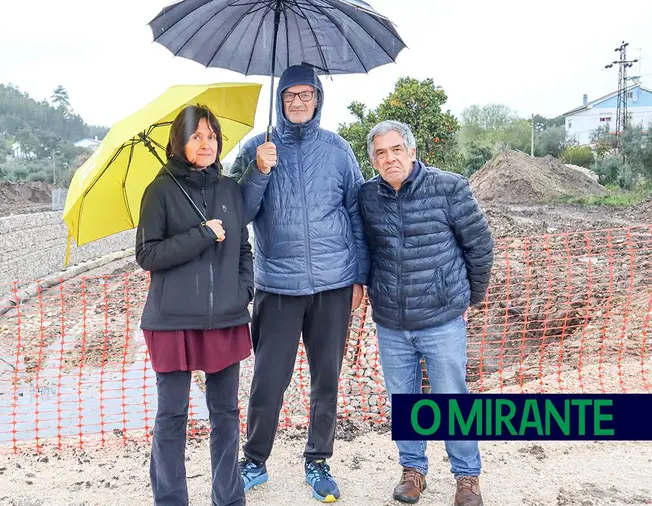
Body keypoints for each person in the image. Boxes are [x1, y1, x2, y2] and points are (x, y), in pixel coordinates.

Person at [228, 64, 369, 503]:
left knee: (326, 379)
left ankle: (318, 460)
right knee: (269, 380)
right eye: (290, 95)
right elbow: (239, 214)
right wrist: (259, 172)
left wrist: (360, 275)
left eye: (307, 95)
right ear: (280, 100)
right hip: (278, 287)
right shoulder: (257, 148)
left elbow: (357, 214)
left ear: (319, 100)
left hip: (333, 285)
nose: (298, 103)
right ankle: (253, 460)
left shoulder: (338, 149)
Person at [357, 120, 494, 506]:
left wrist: (470, 298)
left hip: (441, 320)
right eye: (381, 153)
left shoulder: (449, 187)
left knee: (453, 399)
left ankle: (467, 478)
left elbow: (480, 246)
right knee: (404, 400)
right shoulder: (367, 196)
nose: (390, 158)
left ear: (412, 151)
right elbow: (361, 248)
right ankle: (413, 470)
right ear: (373, 160)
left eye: (396, 149)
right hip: (391, 323)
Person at [136, 104, 254, 506]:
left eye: (211, 136)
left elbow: (244, 249)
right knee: (172, 417)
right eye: (196, 136)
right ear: (179, 143)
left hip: (226, 317)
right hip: (171, 321)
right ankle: (170, 499)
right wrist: (201, 234)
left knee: (225, 415)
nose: (206, 144)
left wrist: (244, 291)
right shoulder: (159, 190)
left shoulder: (230, 189)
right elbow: (147, 255)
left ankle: (229, 497)